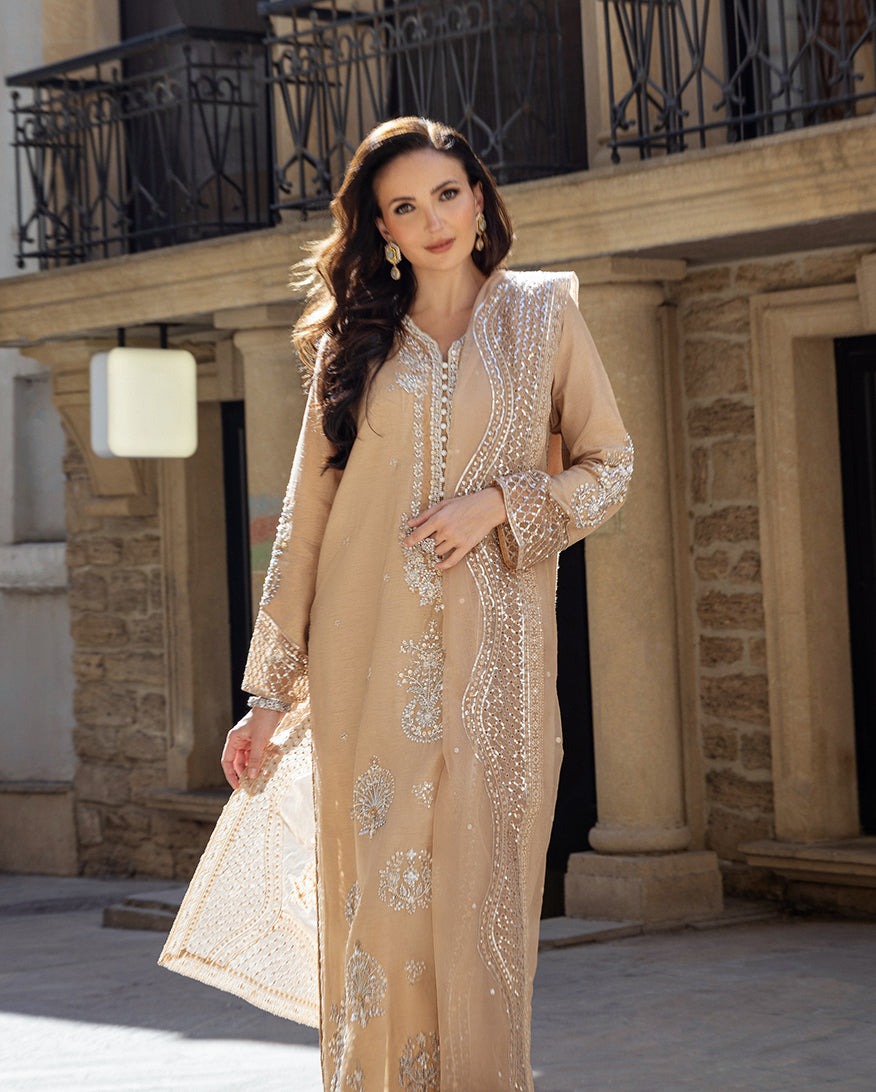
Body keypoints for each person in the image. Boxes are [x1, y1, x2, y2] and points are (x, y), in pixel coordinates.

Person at [160, 116, 633, 1092]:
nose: (434, 221)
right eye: (405, 207)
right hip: (364, 671)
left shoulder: (544, 317)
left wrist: (500, 503)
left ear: (479, 197)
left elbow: (610, 467)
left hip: (498, 670)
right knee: (380, 907)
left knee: (483, 907)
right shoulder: (355, 343)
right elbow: (306, 521)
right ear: (381, 229)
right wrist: (268, 696)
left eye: (447, 194)